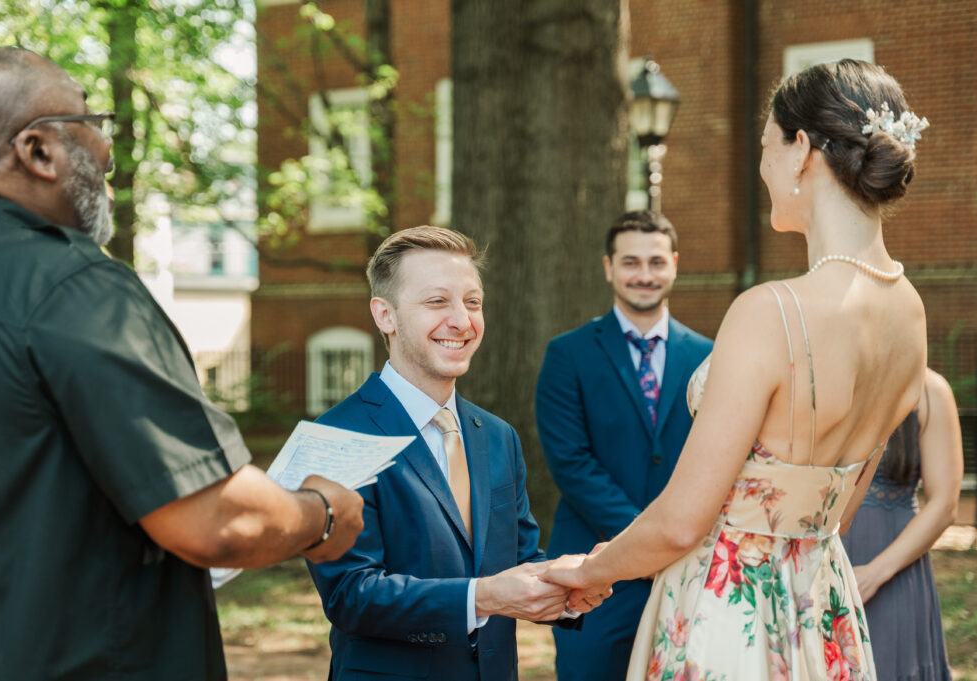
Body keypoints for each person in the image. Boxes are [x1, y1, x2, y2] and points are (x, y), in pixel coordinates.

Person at [0, 47, 364, 680]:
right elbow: (219, 520)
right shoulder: (72, 289)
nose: (107, 152)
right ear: (37, 151)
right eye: (92, 123)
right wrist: (324, 513)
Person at [543, 58, 929, 681]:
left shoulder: (772, 310)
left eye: (765, 146)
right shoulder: (910, 311)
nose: (762, 166)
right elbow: (840, 509)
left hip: (730, 614)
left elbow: (680, 522)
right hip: (820, 607)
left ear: (801, 149)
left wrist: (585, 573)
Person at [307, 226, 607, 681]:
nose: (462, 321)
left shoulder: (498, 436)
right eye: (436, 302)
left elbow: (521, 558)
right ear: (384, 315)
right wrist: (483, 596)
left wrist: (567, 587)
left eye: (472, 302)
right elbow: (351, 594)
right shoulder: (336, 435)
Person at [535, 210, 712, 681]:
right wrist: (648, 540)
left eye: (656, 262)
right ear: (608, 267)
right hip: (596, 572)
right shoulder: (567, 354)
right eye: (631, 262)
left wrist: (677, 538)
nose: (645, 275)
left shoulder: (711, 355)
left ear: (674, 264)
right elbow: (571, 463)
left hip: (688, 568)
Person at [841, 368, 962, 680]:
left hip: (894, 569)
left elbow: (944, 504)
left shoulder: (930, 390)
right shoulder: (832, 376)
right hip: (826, 561)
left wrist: (875, 573)